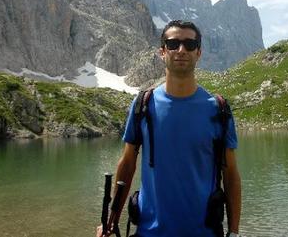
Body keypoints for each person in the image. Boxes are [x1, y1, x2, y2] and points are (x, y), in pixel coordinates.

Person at [96, 20, 241, 237]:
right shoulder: (142, 105)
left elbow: (230, 175)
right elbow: (127, 164)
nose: (181, 50)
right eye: (173, 44)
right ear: (162, 51)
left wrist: (235, 232)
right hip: (148, 232)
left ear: (199, 53)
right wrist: (111, 221)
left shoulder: (218, 109)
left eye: (190, 44)